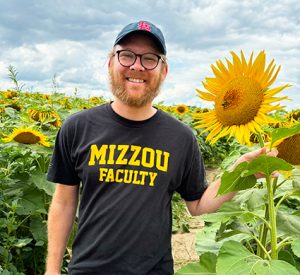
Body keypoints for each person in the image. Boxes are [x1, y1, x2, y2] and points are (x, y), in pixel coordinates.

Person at [45, 20, 278, 275]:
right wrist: (52, 269)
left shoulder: (181, 137)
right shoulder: (77, 127)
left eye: (149, 58)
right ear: (110, 63)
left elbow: (198, 205)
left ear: (163, 71)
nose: (136, 65)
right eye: (126, 55)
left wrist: (239, 171)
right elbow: (64, 203)